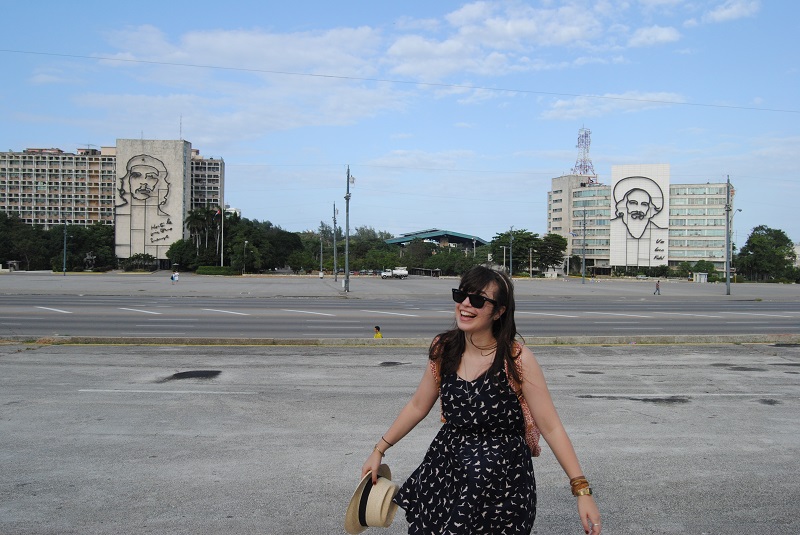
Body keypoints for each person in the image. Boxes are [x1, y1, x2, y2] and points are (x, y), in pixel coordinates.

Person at [360, 266, 601, 534]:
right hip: (446, 474)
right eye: (461, 295)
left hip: (501, 486)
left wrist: (581, 489)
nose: (465, 304)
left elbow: (551, 427)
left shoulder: (516, 359)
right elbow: (417, 405)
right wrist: (379, 450)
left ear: (499, 312)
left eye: (477, 300)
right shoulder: (444, 349)